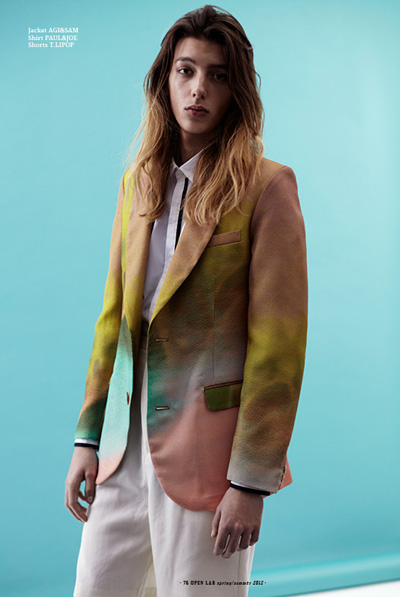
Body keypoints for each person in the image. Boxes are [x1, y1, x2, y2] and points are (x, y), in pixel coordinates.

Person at [65, 4, 308, 596]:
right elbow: (113, 321)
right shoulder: (137, 182)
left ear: (236, 91)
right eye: (186, 70)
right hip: (123, 450)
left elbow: (278, 349)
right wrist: (87, 438)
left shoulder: (267, 186)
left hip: (210, 459)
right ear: (165, 80)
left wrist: (249, 483)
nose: (199, 88)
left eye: (218, 75)